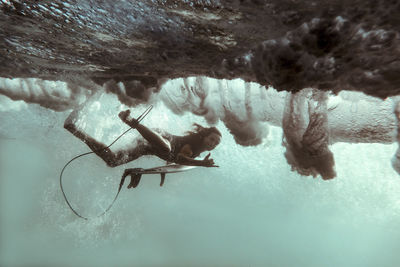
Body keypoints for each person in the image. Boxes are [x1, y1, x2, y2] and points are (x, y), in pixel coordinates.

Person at [64, 109, 221, 168]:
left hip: (148, 146)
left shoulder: (198, 151)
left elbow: (176, 160)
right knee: (167, 148)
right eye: (212, 139)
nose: (212, 144)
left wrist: (153, 171)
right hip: (158, 137)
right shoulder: (195, 144)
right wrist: (201, 164)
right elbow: (180, 156)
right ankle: (131, 120)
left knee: (112, 161)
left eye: (215, 143)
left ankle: (73, 127)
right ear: (205, 136)